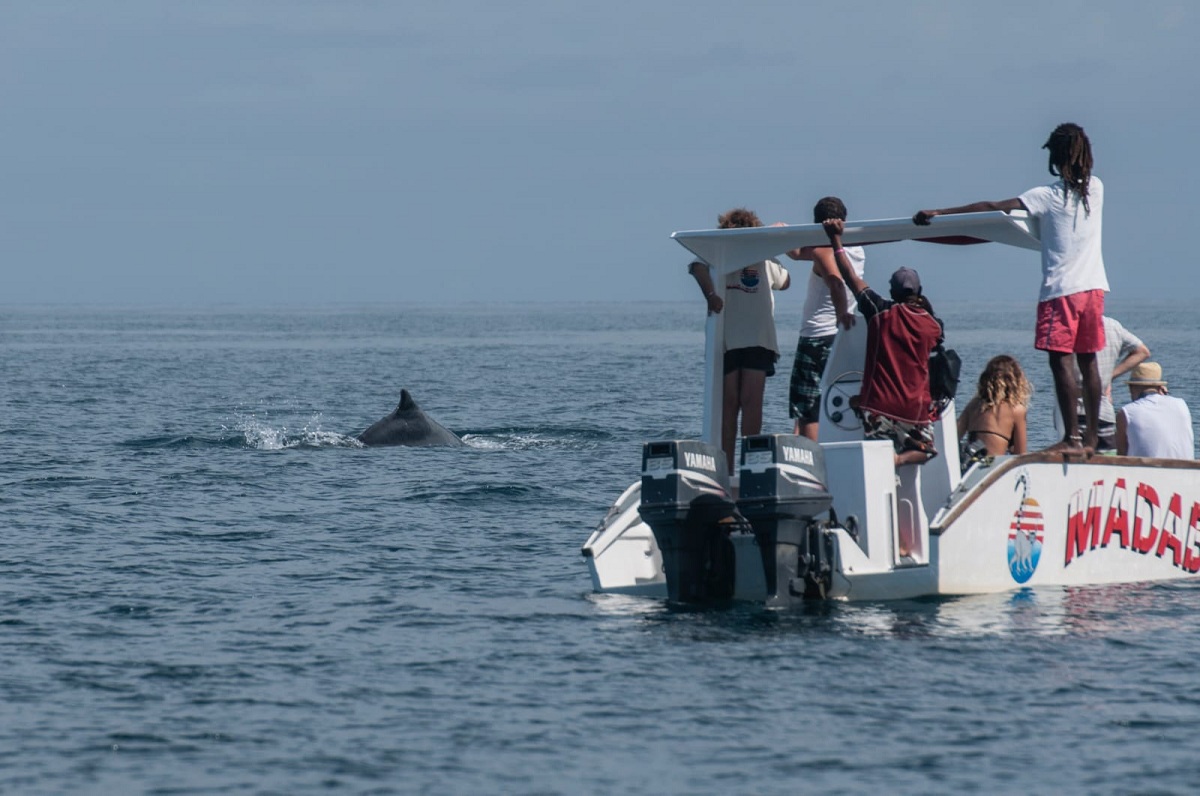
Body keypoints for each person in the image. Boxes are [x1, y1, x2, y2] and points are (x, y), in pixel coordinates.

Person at [913, 122, 1108, 454]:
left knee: (1061, 363)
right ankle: (1091, 439)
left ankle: (1071, 437)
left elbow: (992, 208)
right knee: (1089, 363)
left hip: (1061, 291)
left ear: (1058, 155)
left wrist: (940, 212)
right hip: (1094, 288)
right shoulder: (1096, 190)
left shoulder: (1045, 196)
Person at [822, 218, 943, 467]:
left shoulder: (879, 311)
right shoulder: (933, 325)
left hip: (879, 406)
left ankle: (889, 465)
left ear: (893, 292)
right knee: (927, 451)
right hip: (914, 408)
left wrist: (835, 239)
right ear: (919, 292)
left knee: (877, 456)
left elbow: (849, 276)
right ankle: (898, 460)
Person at [688, 207, 791, 473]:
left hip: (750, 339)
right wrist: (710, 295)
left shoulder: (752, 256)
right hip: (737, 339)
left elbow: (785, 281)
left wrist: (711, 295)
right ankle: (738, 468)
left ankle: (737, 468)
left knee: (740, 404)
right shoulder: (728, 254)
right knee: (739, 403)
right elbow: (696, 267)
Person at [785, 196, 865, 440]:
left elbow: (835, 282)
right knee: (834, 396)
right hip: (841, 337)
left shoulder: (822, 250)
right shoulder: (856, 248)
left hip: (817, 334)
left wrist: (841, 313)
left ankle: (813, 463)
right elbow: (798, 253)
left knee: (808, 404)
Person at [1056, 315, 1149, 453]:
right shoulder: (1113, 326)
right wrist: (1110, 376)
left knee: (1076, 469)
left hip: (1075, 413)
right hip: (1105, 413)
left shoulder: (1069, 325)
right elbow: (1142, 352)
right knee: (1105, 468)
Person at [957, 355, 1032, 468]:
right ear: (1015, 381)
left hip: (970, 465)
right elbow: (1020, 455)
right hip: (992, 469)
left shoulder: (974, 405)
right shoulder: (1017, 410)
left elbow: (954, 437)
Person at [1115, 362, 1195, 459]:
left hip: (1145, 472)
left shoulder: (1126, 412)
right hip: (1186, 471)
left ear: (1131, 388)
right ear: (1160, 387)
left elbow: (1121, 455)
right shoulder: (1182, 405)